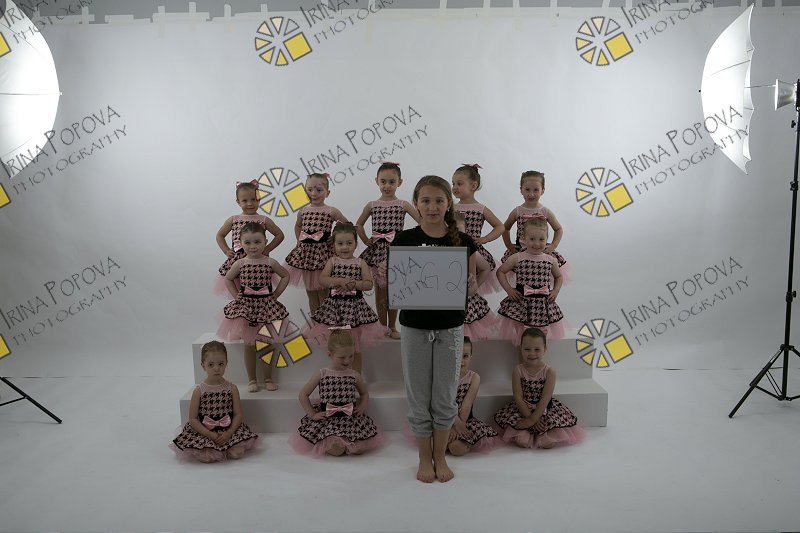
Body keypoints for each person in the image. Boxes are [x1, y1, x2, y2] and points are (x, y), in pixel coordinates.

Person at [388, 175, 478, 483]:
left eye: (439, 200)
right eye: (425, 201)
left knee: (444, 394)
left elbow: (472, 283)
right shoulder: (404, 240)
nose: (432, 206)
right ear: (415, 203)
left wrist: (471, 283)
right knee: (418, 395)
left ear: (448, 203)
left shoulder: (462, 241)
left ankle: (440, 456)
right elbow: (396, 282)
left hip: (450, 327)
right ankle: (424, 457)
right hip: (414, 327)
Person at [218, 222, 290, 392]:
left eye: (257, 242)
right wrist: (236, 295)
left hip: (266, 307)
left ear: (265, 242)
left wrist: (276, 293)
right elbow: (228, 278)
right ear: (241, 243)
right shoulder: (240, 263)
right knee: (249, 345)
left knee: (266, 343)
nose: (253, 246)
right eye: (248, 242)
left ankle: (268, 377)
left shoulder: (270, 262)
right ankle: (252, 380)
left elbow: (286, 276)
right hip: (247, 308)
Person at [305, 222, 385, 372]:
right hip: (334, 308)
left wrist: (354, 284)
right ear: (333, 245)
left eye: (349, 243)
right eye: (340, 243)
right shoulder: (332, 261)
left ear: (355, 244)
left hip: (354, 309)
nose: (345, 247)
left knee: (354, 347)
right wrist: (338, 281)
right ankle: (338, 375)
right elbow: (323, 279)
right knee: (337, 345)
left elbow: (368, 284)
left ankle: (356, 377)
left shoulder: (360, 262)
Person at [289, 329, 384, 456]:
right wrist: (312, 414)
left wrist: (362, 406)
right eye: (342, 357)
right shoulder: (322, 373)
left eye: (351, 356)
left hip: (350, 419)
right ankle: (336, 444)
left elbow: (364, 393)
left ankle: (347, 444)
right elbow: (303, 394)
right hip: (328, 420)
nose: (347, 361)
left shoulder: (354, 375)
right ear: (330, 354)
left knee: (359, 448)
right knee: (336, 450)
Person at [356, 161, 420, 340]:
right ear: (376, 181)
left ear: (400, 182)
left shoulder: (403, 204)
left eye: (392, 182)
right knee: (381, 293)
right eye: (383, 181)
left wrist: (409, 239)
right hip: (377, 253)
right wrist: (365, 240)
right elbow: (358, 224)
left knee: (395, 292)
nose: (387, 186)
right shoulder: (372, 205)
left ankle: (392, 326)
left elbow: (422, 222)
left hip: (396, 252)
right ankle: (382, 327)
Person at [494, 328, 584, 448]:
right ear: (521, 349)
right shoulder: (518, 370)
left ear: (545, 349)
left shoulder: (549, 372)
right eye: (527, 349)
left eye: (537, 349)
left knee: (548, 442)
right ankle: (528, 432)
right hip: (524, 409)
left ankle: (542, 434)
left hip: (544, 408)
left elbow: (545, 398)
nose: (532, 353)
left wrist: (533, 419)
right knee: (521, 440)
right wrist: (529, 418)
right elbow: (518, 397)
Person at [171, 341, 258, 462]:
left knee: (238, 453)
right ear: (203, 366)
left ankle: (227, 444)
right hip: (206, 431)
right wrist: (210, 434)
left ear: (226, 363)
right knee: (207, 457)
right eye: (211, 365)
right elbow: (193, 419)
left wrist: (229, 433)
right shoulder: (199, 391)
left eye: (220, 364)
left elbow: (238, 414)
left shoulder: (232, 388)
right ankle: (211, 446)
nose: (216, 369)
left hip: (227, 429)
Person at [285, 173, 349, 313]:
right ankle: (315, 321)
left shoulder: (331, 211)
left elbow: (347, 225)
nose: (314, 193)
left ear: (327, 192)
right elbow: (298, 226)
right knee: (311, 292)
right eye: (310, 189)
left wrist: (335, 238)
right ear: (305, 191)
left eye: (319, 190)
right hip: (306, 256)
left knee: (323, 291)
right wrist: (299, 240)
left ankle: (325, 321)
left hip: (323, 255)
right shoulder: (303, 211)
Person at [496, 218, 564, 343]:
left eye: (541, 239)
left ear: (547, 239)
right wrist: (509, 290)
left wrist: (556, 290)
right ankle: (522, 355)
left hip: (543, 304)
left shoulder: (551, 260)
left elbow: (559, 276)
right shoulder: (517, 257)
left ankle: (538, 355)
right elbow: (500, 272)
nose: (537, 244)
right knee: (522, 336)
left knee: (540, 336)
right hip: (522, 303)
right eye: (532, 239)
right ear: (524, 238)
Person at [214, 180, 284, 294]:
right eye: (245, 201)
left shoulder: (264, 220)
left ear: (259, 199)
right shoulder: (233, 220)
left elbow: (279, 235)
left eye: (254, 199)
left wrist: (268, 248)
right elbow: (219, 235)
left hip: (258, 261)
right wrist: (226, 250)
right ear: (238, 202)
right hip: (237, 261)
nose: (250, 204)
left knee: (257, 289)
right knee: (239, 292)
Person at [500, 171, 568, 280]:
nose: (531, 194)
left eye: (536, 190)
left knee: (540, 277)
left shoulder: (545, 211)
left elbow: (558, 229)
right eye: (527, 189)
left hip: (540, 250)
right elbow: (505, 228)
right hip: (522, 251)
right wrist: (509, 245)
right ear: (521, 190)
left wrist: (553, 245)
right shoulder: (517, 211)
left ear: (542, 191)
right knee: (523, 278)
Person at [452, 164, 504, 293]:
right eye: (453, 184)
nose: (455, 187)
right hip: (455, 247)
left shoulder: (480, 209)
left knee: (484, 268)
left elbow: (500, 227)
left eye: (459, 184)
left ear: (473, 186)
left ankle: (472, 292)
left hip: (472, 248)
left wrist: (486, 238)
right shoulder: (451, 208)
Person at [447, 336, 500, 455]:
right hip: (446, 418)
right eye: (457, 356)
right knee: (431, 445)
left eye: (465, 356)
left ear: (471, 356)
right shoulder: (445, 377)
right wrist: (454, 424)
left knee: (456, 449)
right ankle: (447, 441)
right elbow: (444, 403)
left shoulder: (474, 378)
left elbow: (467, 404)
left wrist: (459, 426)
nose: (461, 361)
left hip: (465, 420)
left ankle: (464, 443)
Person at [454, 211, 496, 340]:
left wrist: (475, 284)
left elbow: (485, 268)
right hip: (445, 296)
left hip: (466, 297)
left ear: (465, 231)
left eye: (458, 230)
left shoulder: (470, 251)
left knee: (466, 335)